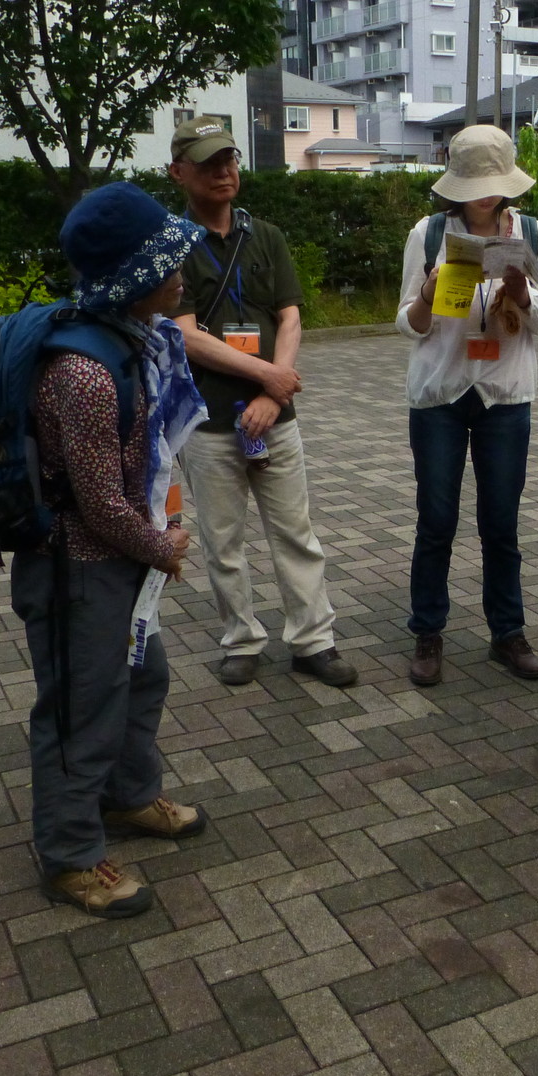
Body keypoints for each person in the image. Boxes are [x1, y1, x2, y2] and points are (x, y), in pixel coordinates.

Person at [13, 182, 210, 918]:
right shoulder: (87, 374)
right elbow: (98, 507)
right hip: (79, 572)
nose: (182, 270)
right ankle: (69, 855)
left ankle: (128, 798)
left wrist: (152, 546)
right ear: (131, 276)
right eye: (167, 260)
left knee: (142, 677)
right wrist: (161, 546)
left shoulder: (132, 340)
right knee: (79, 711)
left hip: (117, 567)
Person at [168, 117, 354, 688]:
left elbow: (290, 316)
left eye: (230, 160)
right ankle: (241, 639)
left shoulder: (265, 236)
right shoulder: (171, 245)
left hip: (276, 418)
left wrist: (275, 391)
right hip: (206, 422)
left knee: (295, 533)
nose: (224, 172)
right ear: (179, 173)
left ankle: (312, 640)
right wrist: (270, 378)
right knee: (223, 541)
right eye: (208, 163)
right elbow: (184, 333)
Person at [396, 124, 538, 685]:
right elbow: (408, 325)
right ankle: (428, 630)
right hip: (440, 393)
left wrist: (525, 296)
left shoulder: (533, 235)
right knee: (436, 520)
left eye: (495, 183)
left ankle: (507, 633)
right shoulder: (429, 233)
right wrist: (426, 292)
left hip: (506, 394)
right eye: (475, 183)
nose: (487, 195)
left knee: (501, 522)